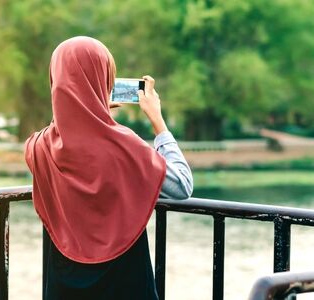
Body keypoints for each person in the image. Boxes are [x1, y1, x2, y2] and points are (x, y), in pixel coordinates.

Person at [24, 36, 193, 300]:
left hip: (63, 289)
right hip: (125, 286)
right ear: (103, 82)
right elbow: (182, 185)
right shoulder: (125, 146)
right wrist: (158, 120)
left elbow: (64, 131)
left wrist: (81, 107)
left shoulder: (38, 147)